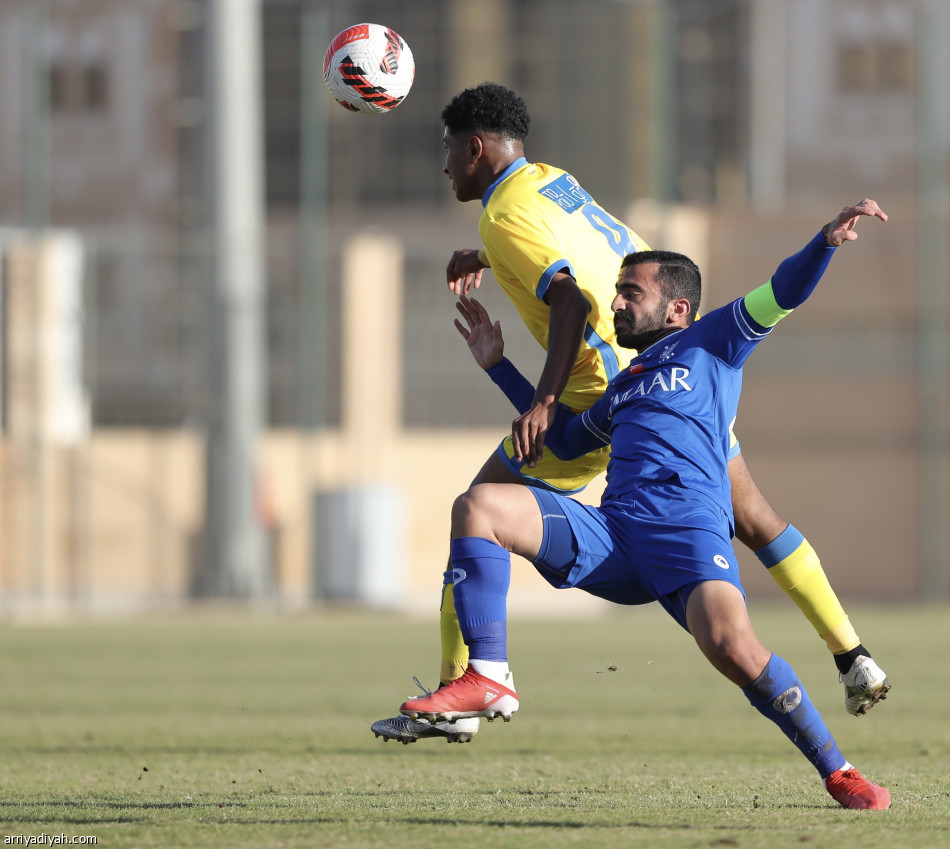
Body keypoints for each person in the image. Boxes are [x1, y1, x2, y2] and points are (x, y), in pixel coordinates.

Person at [371, 83, 888, 746]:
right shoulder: (550, 181)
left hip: (608, 397)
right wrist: (490, 258)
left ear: (474, 148)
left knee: (480, 505)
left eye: (448, 150)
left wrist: (542, 396)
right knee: (755, 517)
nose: (444, 166)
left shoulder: (502, 219)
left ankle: (461, 690)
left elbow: (571, 304)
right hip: (679, 371)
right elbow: (589, 254)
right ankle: (852, 654)